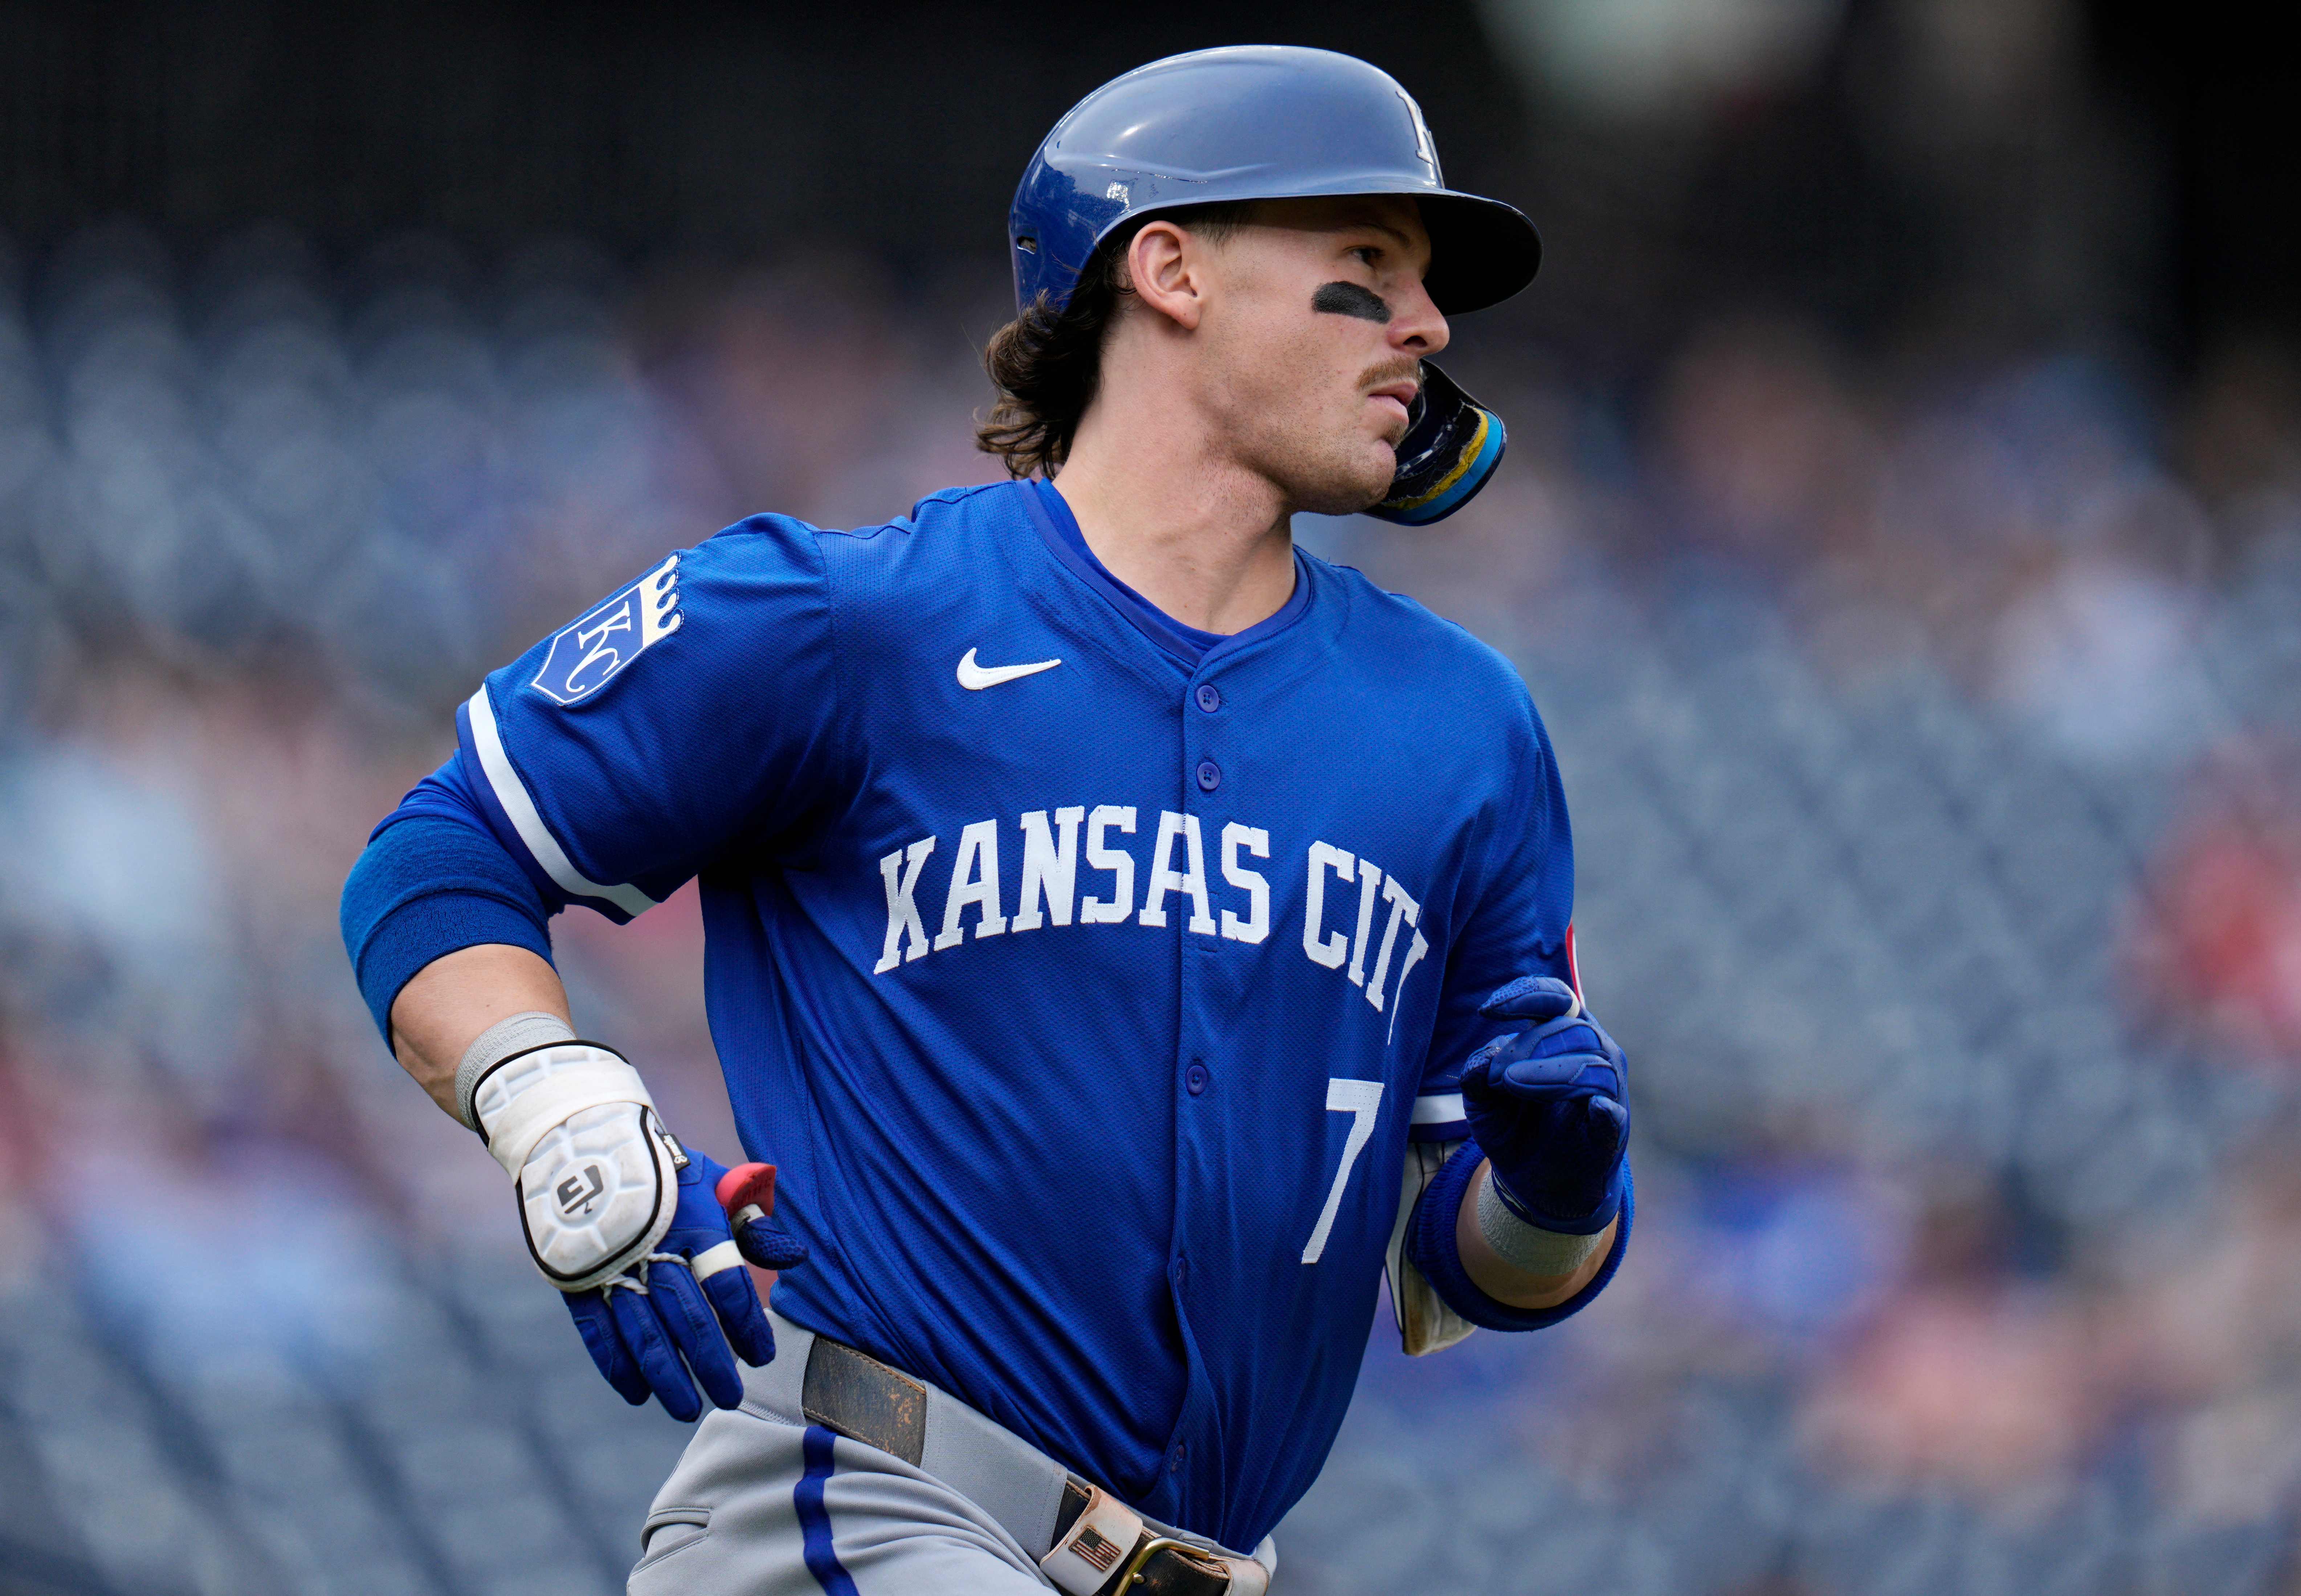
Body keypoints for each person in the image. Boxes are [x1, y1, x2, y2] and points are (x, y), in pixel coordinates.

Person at [340, 44, 1631, 1596]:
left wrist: (1557, 1195)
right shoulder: (844, 616)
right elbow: (440, 856)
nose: (1426, 324)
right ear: (1168, 269)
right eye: (1366, 265)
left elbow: (1472, 1269)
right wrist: (558, 1106)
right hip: (865, 1509)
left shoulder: (1458, 724)